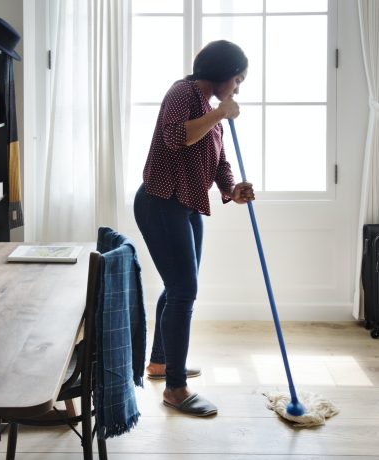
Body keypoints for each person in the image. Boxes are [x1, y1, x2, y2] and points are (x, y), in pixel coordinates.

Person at [133, 40, 255, 417]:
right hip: (160, 201)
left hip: (186, 204)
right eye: (237, 80)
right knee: (184, 291)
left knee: (178, 288)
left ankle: (160, 363)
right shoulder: (183, 91)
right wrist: (220, 114)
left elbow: (216, 157)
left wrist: (232, 188)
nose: (237, 88)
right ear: (221, 74)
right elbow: (175, 138)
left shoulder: (208, 106)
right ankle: (175, 389)